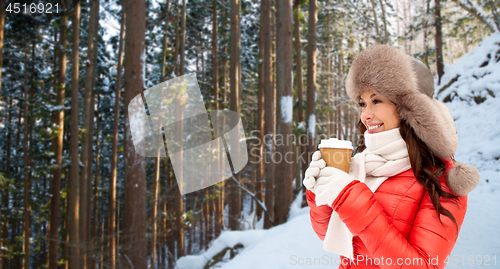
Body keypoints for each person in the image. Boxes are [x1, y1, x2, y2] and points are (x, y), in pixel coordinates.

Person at [303, 45, 479, 269]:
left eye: (376, 101)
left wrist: (350, 197)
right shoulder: (362, 163)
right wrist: (319, 193)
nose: (366, 115)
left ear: (409, 108)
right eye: (362, 103)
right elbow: (333, 238)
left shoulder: (441, 179)